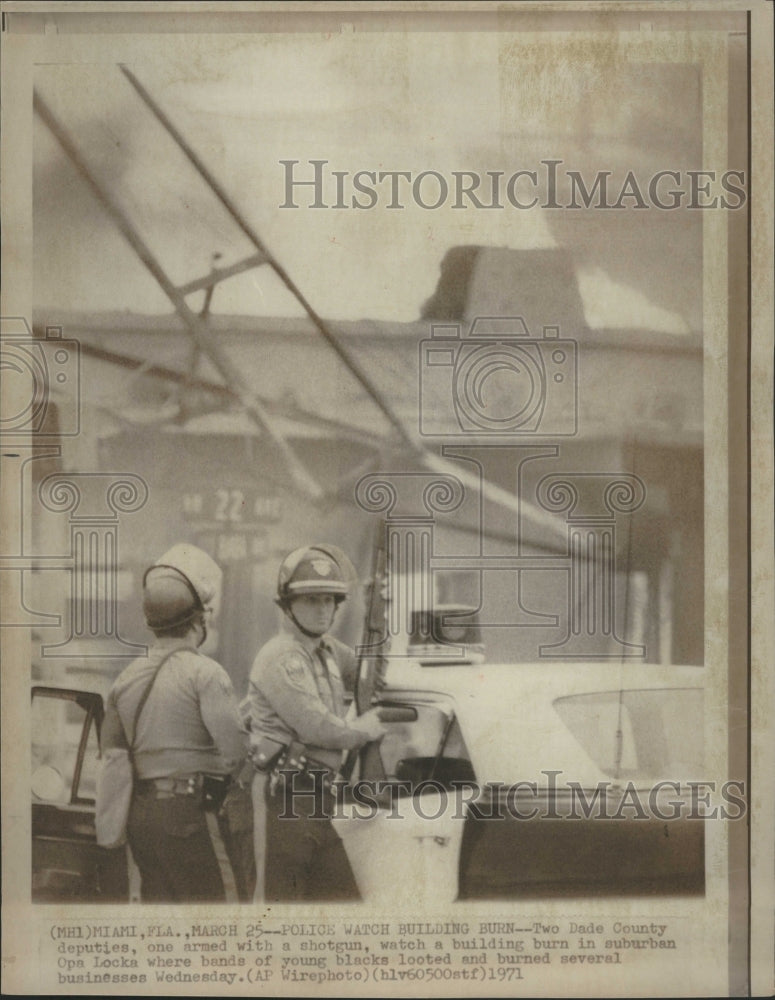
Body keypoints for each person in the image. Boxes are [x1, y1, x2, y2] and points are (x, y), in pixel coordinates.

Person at [101, 543, 246, 903]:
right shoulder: (206, 673)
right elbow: (236, 755)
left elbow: (113, 759)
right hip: (191, 816)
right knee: (219, 919)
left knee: (162, 925)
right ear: (199, 621)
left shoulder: (124, 680)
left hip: (142, 818)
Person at [245, 544, 385, 902]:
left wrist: (379, 614)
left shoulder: (327, 650)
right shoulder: (281, 656)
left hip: (318, 798)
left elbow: (372, 677)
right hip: (284, 798)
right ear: (288, 605)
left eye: (329, 600)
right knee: (278, 913)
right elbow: (316, 727)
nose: (323, 610)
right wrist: (362, 731)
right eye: (311, 600)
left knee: (343, 911)